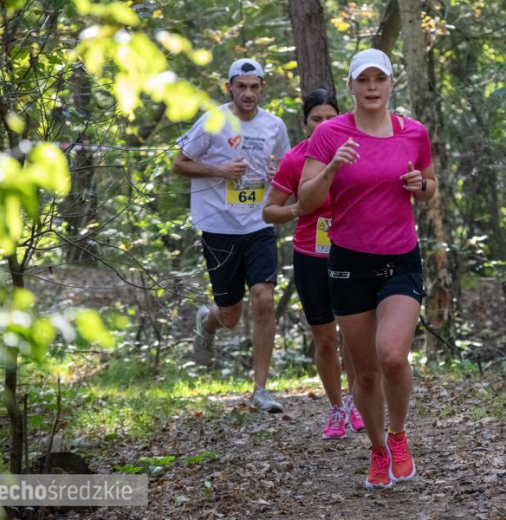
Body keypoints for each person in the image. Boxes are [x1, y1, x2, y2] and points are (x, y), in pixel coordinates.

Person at [298, 49, 438, 488]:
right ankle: (378, 450)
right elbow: (305, 201)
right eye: (364, 79)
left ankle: (398, 436)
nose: (372, 87)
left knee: (392, 355)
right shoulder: (330, 134)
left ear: (392, 83)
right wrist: (332, 168)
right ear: (352, 86)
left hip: (400, 258)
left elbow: (430, 187)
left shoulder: (413, 132)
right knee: (365, 371)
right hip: (348, 263)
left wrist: (421, 184)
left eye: (380, 78)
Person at [172, 58, 290, 413]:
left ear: (263, 89)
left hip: (259, 224)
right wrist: (220, 170)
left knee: (264, 299)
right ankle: (207, 321)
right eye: (241, 87)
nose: (248, 93)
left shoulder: (274, 126)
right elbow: (179, 163)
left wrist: (278, 175)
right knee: (230, 315)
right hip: (219, 226)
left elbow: (287, 169)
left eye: (254, 87)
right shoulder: (213, 121)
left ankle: (261, 389)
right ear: (230, 88)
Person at [262, 89, 365, 439]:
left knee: (354, 336)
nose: (323, 124)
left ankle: (356, 401)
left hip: (353, 252)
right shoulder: (295, 159)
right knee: (326, 339)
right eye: (316, 119)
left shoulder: (357, 150)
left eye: (330, 118)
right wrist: (296, 209)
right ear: (305, 123)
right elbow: (269, 211)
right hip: (311, 256)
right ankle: (336, 408)